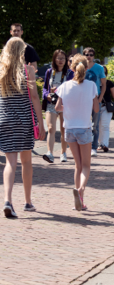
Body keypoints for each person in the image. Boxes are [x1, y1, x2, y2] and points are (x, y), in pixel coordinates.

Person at [1, 37, 44, 217]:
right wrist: (40, 122)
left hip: (4, 119)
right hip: (24, 120)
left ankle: (7, 200)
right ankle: (27, 201)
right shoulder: (28, 71)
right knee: (26, 161)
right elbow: (34, 97)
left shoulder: (1, 71)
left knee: (10, 162)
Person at [56, 54, 99, 212]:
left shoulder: (65, 86)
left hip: (69, 128)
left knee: (77, 165)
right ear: (87, 68)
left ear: (71, 68)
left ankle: (79, 200)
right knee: (86, 165)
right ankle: (80, 191)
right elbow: (95, 109)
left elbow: (57, 108)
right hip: (84, 127)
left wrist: (68, 108)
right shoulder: (91, 85)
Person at [42, 49, 74, 163]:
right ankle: (50, 153)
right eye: (58, 58)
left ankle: (63, 152)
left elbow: (72, 88)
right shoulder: (49, 72)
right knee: (50, 128)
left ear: (66, 61)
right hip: (51, 103)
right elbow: (45, 87)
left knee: (63, 129)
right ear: (54, 59)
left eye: (63, 58)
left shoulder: (70, 73)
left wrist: (60, 90)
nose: (60, 60)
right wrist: (47, 95)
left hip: (64, 104)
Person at [83, 47, 106, 157]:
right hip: (83, 99)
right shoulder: (81, 67)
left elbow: (104, 84)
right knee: (83, 124)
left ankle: (94, 148)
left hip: (95, 99)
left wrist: (100, 97)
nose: (89, 56)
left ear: (94, 56)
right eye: (87, 54)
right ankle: (84, 146)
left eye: (91, 54)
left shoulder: (99, 68)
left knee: (95, 126)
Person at [98, 66, 114, 152]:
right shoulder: (94, 83)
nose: (103, 74)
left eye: (104, 73)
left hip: (106, 107)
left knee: (104, 126)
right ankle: (100, 143)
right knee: (97, 126)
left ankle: (105, 144)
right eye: (101, 73)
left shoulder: (109, 83)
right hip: (95, 107)